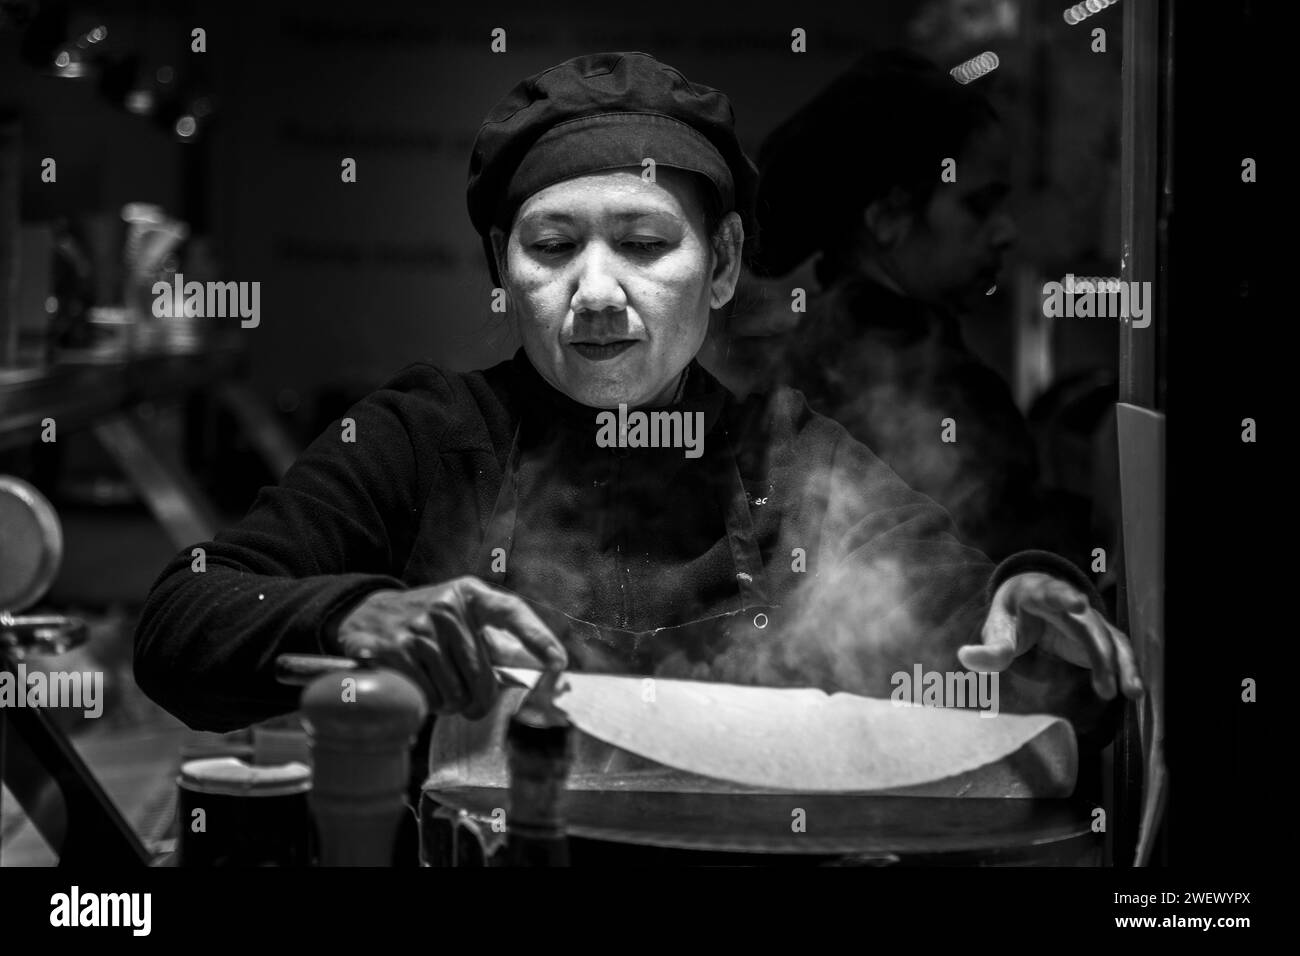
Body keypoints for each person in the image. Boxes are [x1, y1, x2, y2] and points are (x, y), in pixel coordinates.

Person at [134, 53, 1140, 763]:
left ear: (724, 264)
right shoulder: (424, 436)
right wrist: (357, 610)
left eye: (646, 243)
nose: (599, 291)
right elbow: (182, 618)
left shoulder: (788, 454)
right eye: (553, 244)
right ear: (501, 268)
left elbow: (963, 602)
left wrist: (1021, 603)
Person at [713, 50, 1086, 564]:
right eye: (979, 205)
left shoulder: (816, 354)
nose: (1007, 231)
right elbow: (1003, 573)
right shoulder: (929, 385)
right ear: (888, 218)